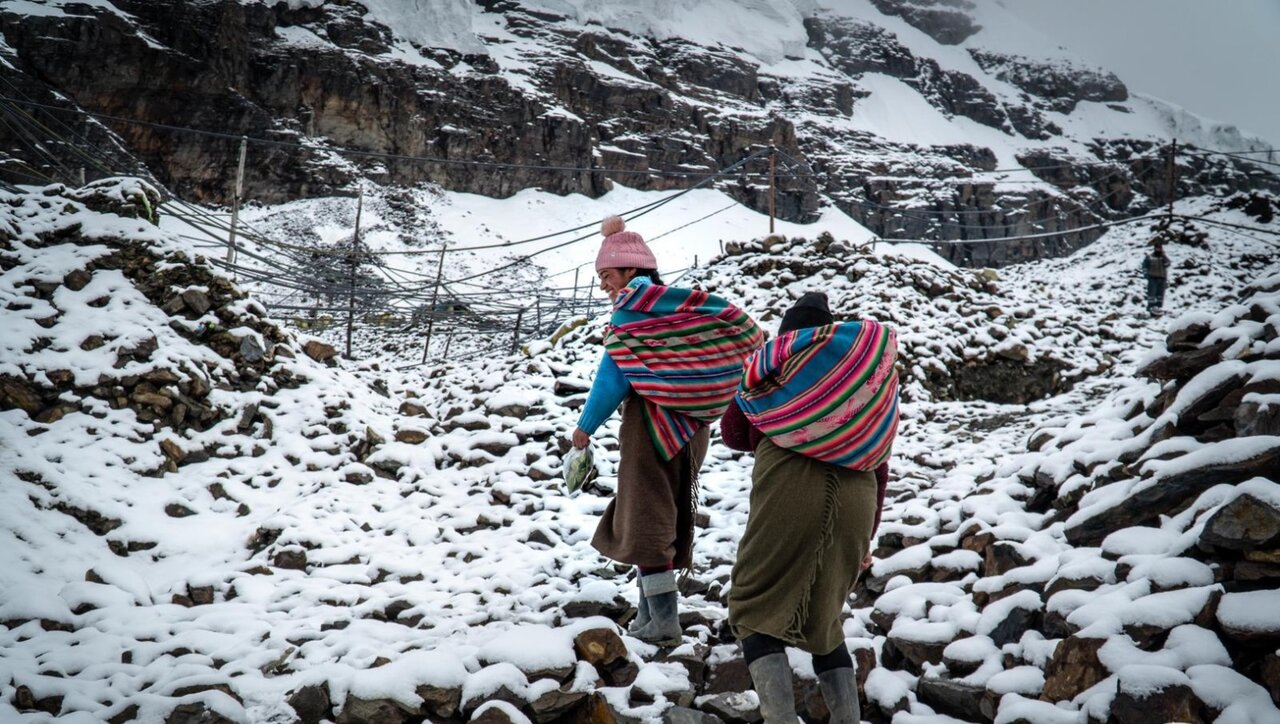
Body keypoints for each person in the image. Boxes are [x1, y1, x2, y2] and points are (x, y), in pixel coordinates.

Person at [571, 215, 763, 646]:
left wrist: (585, 426)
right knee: (661, 513)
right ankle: (647, 614)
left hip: (652, 429)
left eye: (607, 275)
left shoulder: (633, 312)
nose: (604, 285)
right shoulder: (679, 307)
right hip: (693, 428)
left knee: (647, 519)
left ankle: (663, 621)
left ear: (630, 270)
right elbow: (749, 335)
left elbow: (613, 377)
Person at [721, 292, 898, 724]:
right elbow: (879, 463)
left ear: (787, 338)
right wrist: (867, 537)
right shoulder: (864, 381)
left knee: (753, 606)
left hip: (789, 490)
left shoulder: (773, 368)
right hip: (857, 500)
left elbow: (732, 432)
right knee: (825, 620)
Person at [1142, 241, 1171, 314]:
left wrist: (1163, 256)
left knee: (1160, 295)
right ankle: (1150, 308)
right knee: (1152, 294)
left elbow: (1167, 264)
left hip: (1162, 278)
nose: (1158, 249)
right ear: (1154, 248)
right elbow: (1144, 266)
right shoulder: (1150, 257)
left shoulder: (1163, 257)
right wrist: (1146, 274)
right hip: (1153, 278)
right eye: (1157, 248)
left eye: (1159, 248)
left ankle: (1159, 308)